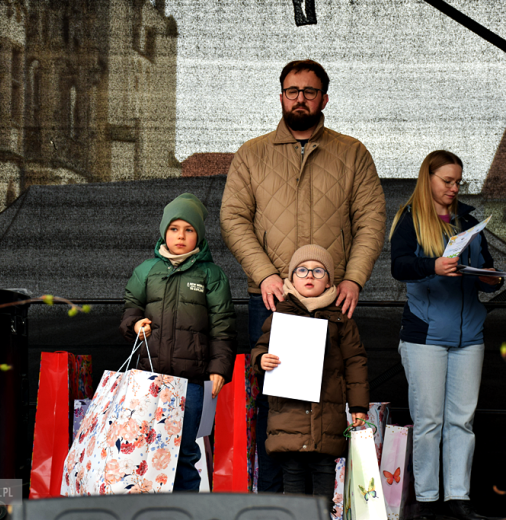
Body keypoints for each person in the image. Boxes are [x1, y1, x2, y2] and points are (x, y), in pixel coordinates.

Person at [221, 59, 385, 492]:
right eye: (292, 90)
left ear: (324, 98)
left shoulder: (352, 152)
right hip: (274, 298)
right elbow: (234, 218)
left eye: (309, 91)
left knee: (330, 400)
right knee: (275, 408)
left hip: (332, 301)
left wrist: (352, 279)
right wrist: (265, 275)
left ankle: (320, 504)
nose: (300, 98)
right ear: (280, 95)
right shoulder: (252, 154)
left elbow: (371, 219)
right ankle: (274, 503)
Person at [389, 150, 502, 520]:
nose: (454, 188)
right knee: (428, 421)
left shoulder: (468, 219)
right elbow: (399, 267)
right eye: (446, 181)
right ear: (428, 178)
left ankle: (459, 498)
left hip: (470, 334)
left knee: (462, 420)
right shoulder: (409, 217)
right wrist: (433, 266)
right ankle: (425, 500)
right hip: (424, 335)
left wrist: (488, 276)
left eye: (458, 182)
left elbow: (483, 272)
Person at [119, 192, 236, 492]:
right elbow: (131, 306)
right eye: (174, 229)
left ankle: (185, 512)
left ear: (199, 234)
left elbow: (223, 326)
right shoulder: (146, 271)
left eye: (189, 229)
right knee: (143, 452)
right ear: (163, 231)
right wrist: (134, 324)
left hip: (192, 383)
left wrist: (219, 368)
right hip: (150, 380)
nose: (180, 236)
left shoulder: (212, 275)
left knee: (184, 454)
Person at [251, 244, 369, 512]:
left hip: (327, 416)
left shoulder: (342, 320)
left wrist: (359, 407)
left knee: (324, 473)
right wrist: (261, 360)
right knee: (291, 475)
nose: (310, 276)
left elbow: (356, 363)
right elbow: (260, 348)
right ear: (291, 278)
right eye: (302, 270)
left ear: (330, 280)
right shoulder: (280, 314)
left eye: (318, 271)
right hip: (288, 416)